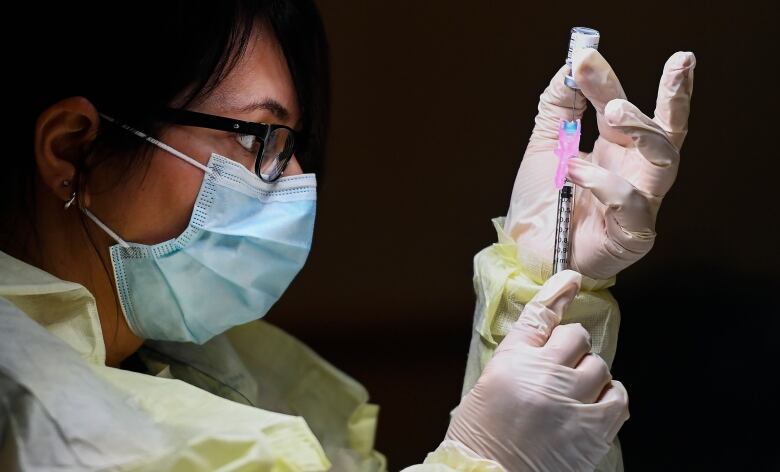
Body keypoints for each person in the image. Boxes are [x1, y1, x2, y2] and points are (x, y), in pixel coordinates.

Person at [0, 2, 694, 470]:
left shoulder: (203, 366)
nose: (295, 179)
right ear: (72, 149)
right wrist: (487, 457)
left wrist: (541, 279)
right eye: (260, 137)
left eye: (294, 144)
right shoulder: (32, 417)